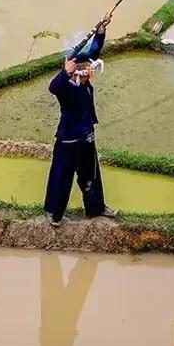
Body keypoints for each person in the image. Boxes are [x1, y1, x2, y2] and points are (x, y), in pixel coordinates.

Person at [43, 16, 118, 228]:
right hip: (68, 139)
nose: (90, 70)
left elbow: (92, 52)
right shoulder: (65, 86)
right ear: (75, 70)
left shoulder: (84, 82)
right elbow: (53, 87)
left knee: (91, 174)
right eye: (86, 67)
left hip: (86, 136)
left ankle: (96, 208)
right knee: (61, 177)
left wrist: (100, 32)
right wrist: (64, 71)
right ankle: (53, 213)